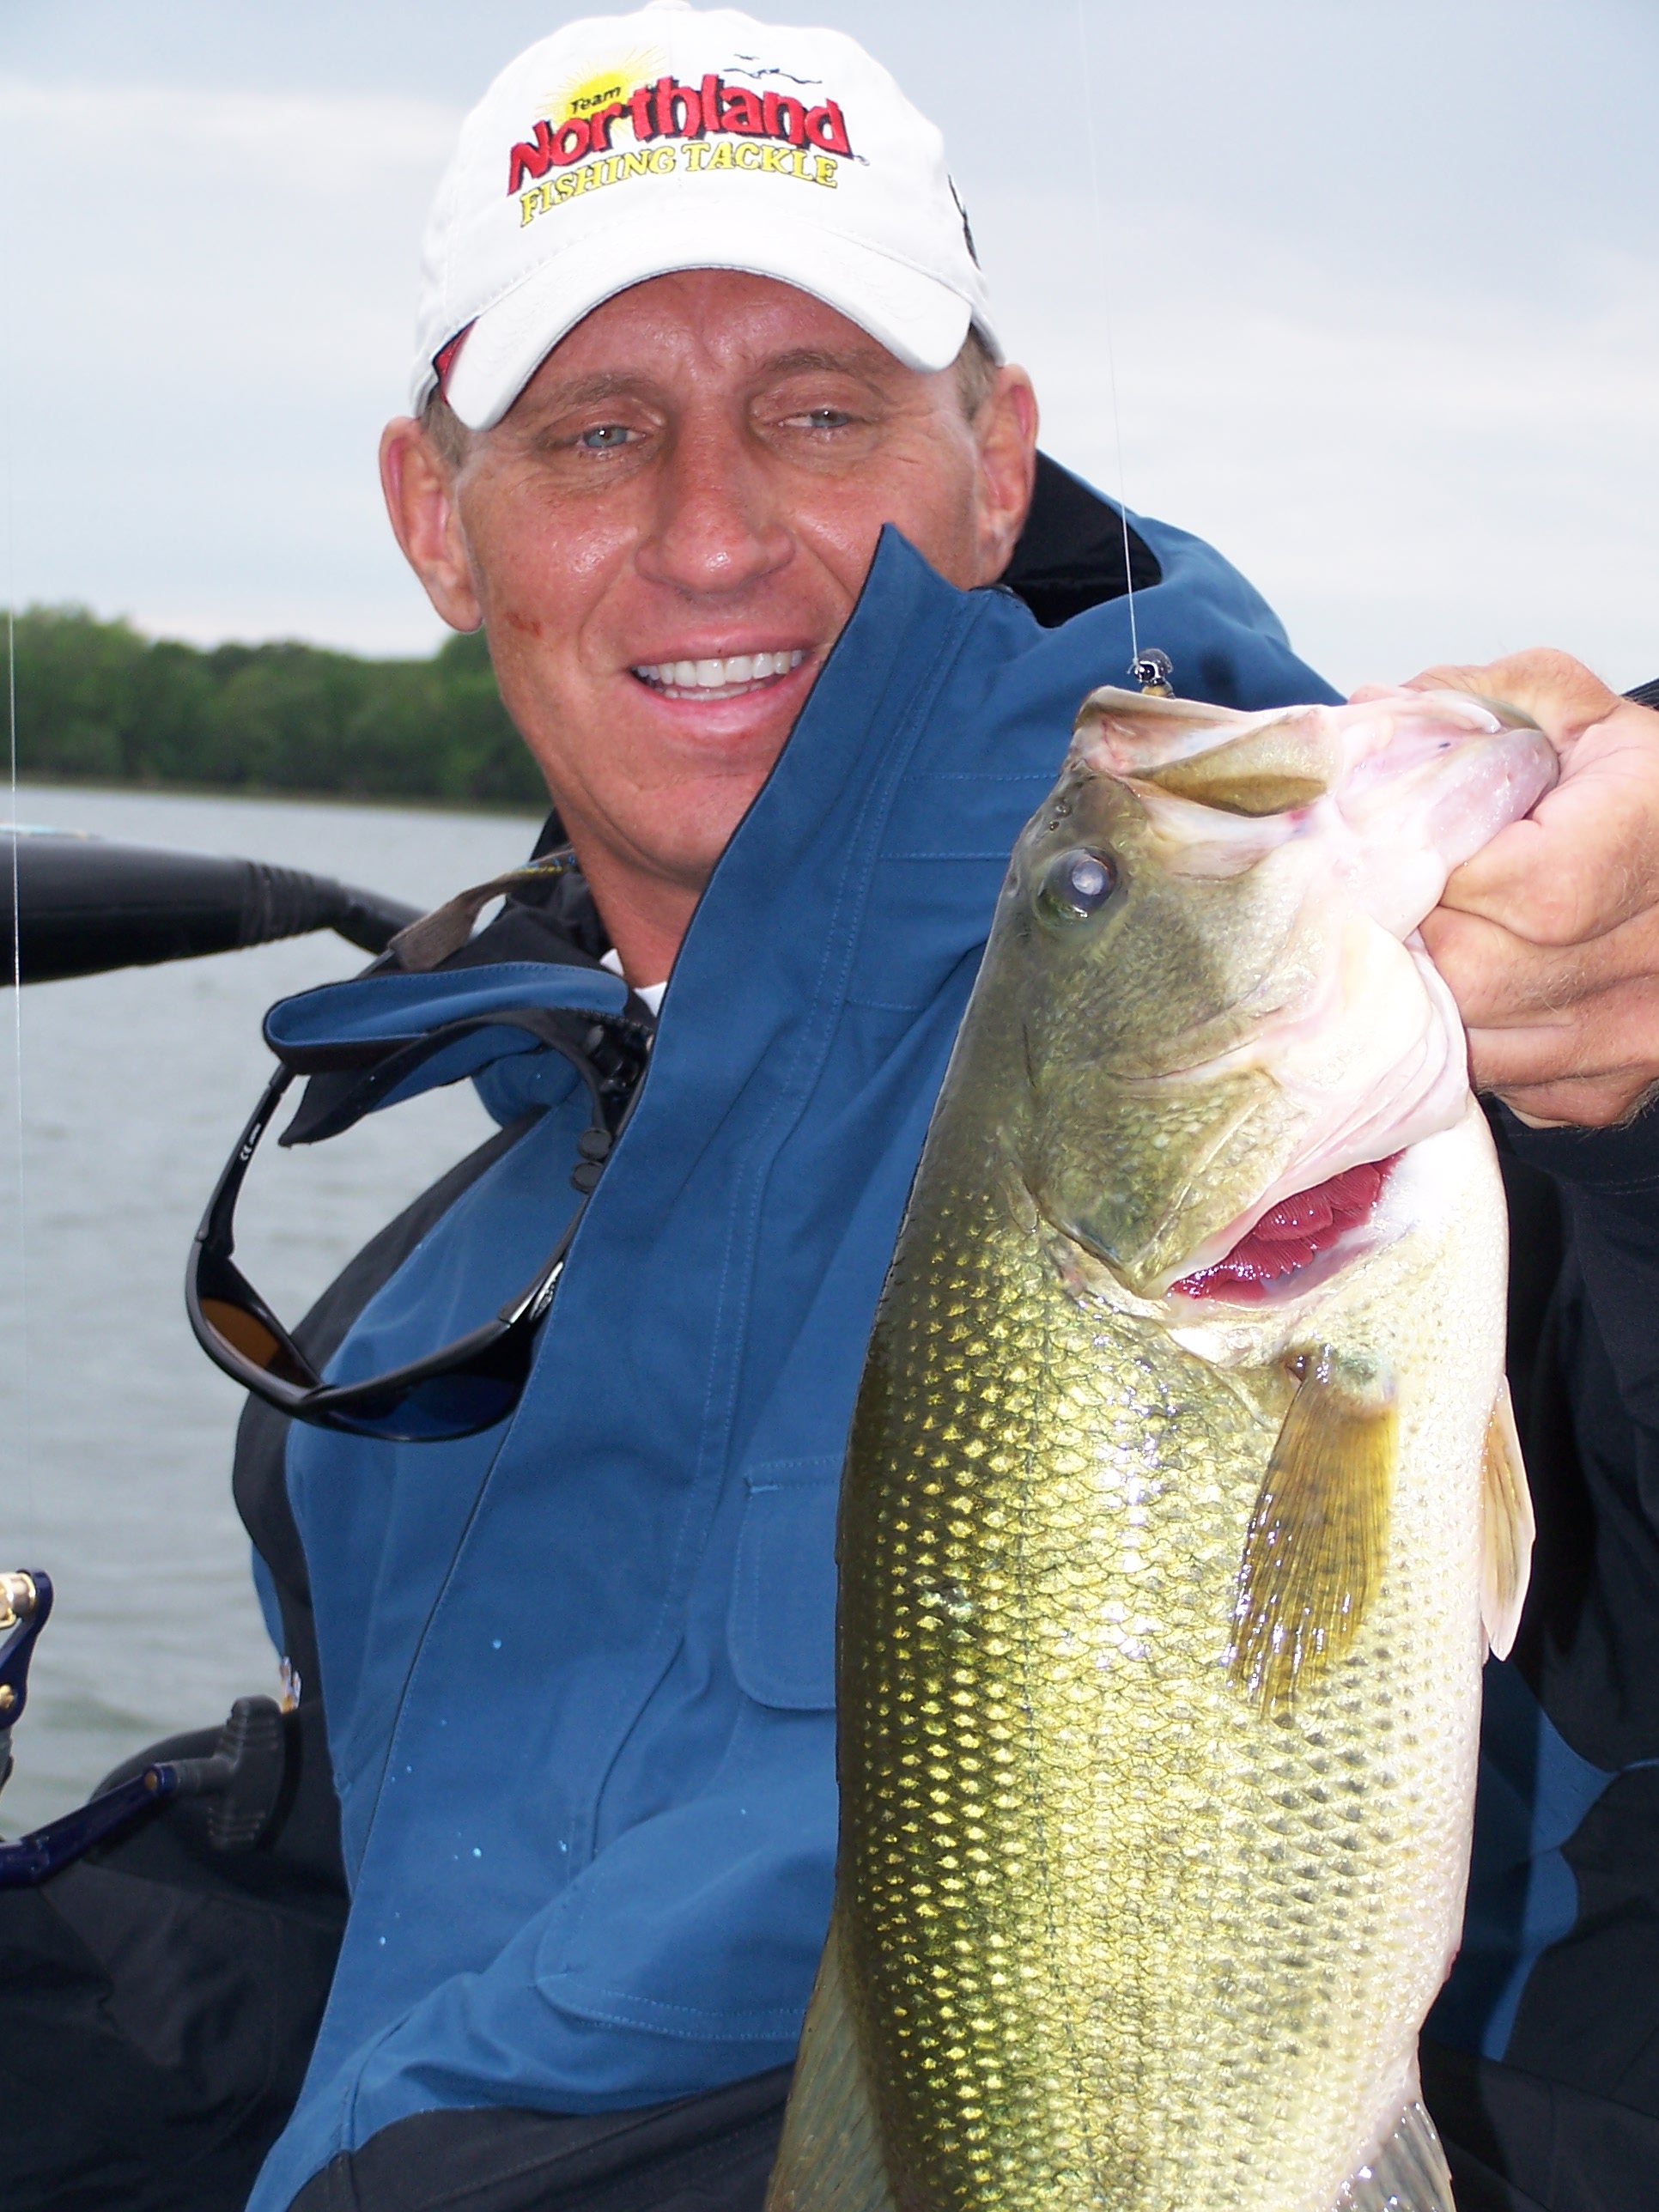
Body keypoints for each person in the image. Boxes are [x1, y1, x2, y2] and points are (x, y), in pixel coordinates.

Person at [3, 7, 1656, 2210]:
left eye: (819, 411)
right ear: (434, 522)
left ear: (999, 457)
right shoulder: (406, 1321)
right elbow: (381, 1902)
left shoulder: (1417, 1027)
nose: (712, 533)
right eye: (596, 434)